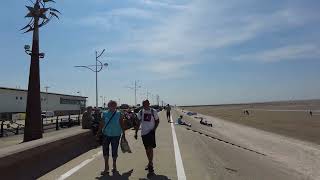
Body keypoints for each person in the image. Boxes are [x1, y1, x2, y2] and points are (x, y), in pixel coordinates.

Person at [97, 100, 126, 175]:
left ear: (116, 106)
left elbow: (121, 122)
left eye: (114, 105)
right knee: (105, 150)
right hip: (106, 134)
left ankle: (114, 165)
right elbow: (102, 123)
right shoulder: (104, 113)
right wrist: (99, 132)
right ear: (108, 106)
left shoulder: (119, 113)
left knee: (114, 150)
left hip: (116, 135)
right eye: (111, 105)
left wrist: (124, 132)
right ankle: (106, 167)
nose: (112, 107)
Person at [135, 100, 159, 174]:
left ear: (149, 104)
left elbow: (157, 121)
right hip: (143, 133)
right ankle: (149, 162)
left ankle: (151, 164)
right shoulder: (141, 112)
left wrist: (154, 129)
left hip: (151, 132)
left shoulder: (153, 111)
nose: (145, 105)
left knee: (150, 148)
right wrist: (136, 132)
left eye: (146, 103)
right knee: (147, 149)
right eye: (143, 104)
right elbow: (138, 122)